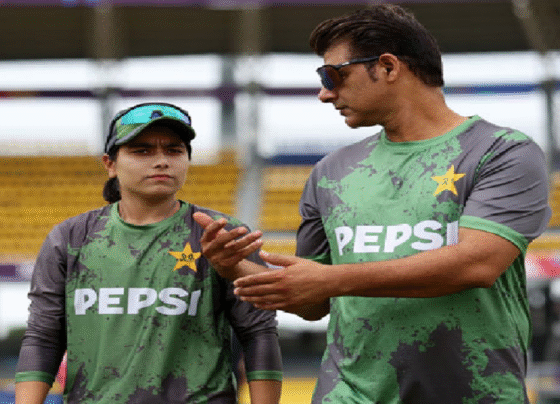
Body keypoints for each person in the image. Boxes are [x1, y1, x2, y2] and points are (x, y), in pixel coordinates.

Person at [193, 4, 551, 403]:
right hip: (349, 394)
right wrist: (233, 267)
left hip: (476, 393)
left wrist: (332, 279)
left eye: (333, 75)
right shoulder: (330, 172)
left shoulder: (501, 152)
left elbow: (477, 264)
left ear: (388, 67)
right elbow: (313, 303)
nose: (325, 93)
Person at [15, 102, 282, 404]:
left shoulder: (222, 235)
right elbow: (43, 337)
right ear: (110, 164)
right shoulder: (69, 238)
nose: (161, 161)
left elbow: (258, 332)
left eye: (174, 150)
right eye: (142, 151)